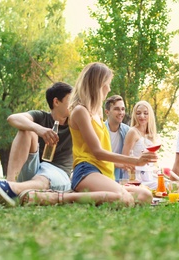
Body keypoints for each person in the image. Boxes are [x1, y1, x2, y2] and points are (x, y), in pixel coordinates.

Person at [67, 62, 156, 206]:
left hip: (104, 172)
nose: (109, 88)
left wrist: (123, 164)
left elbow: (104, 152)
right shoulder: (80, 111)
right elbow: (97, 152)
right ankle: (64, 198)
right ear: (99, 85)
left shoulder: (97, 111)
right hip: (86, 170)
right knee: (125, 200)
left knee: (145, 195)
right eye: (107, 84)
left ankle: (93, 195)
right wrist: (136, 161)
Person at [0, 82, 73, 207]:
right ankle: (9, 184)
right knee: (26, 129)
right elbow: (13, 118)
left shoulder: (75, 122)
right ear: (56, 102)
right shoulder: (41, 117)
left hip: (57, 173)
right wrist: (39, 129)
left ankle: (12, 188)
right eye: (71, 99)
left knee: (43, 178)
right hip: (35, 168)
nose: (75, 103)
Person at [122, 100, 158, 188]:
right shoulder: (133, 132)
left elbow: (154, 161)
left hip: (150, 174)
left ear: (150, 115)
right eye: (138, 113)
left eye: (145, 113)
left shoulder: (151, 135)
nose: (142, 116)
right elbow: (124, 157)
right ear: (135, 115)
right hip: (137, 177)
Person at [104, 95, 130, 182]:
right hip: (103, 175)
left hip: (121, 178)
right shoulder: (100, 130)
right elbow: (96, 157)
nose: (121, 112)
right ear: (107, 112)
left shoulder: (127, 131)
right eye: (116, 109)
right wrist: (117, 164)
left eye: (123, 109)